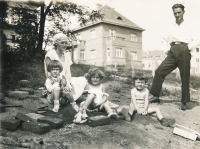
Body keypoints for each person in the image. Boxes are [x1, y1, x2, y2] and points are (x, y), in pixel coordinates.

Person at [150, 4, 200, 110]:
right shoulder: (170, 26)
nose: (177, 15)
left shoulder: (189, 26)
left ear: (183, 12)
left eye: (179, 12)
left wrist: (188, 47)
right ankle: (155, 96)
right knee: (159, 71)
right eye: (175, 13)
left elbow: (197, 40)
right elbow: (163, 39)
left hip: (184, 50)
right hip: (173, 50)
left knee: (185, 77)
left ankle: (184, 102)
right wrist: (167, 50)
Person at [44, 33, 78, 111]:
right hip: (54, 81)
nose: (65, 45)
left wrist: (67, 84)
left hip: (65, 80)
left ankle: (73, 102)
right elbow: (49, 73)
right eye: (62, 43)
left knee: (78, 84)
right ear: (56, 43)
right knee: (58, 90)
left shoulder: (67, 55)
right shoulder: (50, 54)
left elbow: (68, 72)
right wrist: (58, 83)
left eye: (66, 43)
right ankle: (58, 101)